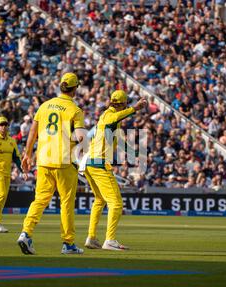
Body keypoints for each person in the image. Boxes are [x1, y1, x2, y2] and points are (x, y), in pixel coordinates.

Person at [17, 72, 86, 255]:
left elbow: (33, 131)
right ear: (75, 89)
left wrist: (27, 154)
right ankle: (68, 243)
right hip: (64, 162)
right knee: (66, 203)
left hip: (44, 160)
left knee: (39, 200)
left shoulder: (45, 106)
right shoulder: (75, 110)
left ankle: (26, 232)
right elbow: (80, 137)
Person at [81, 90, 147, 251]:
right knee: (116, 203)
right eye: (126, 103)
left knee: (100, 200)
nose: (128, 106)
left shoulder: (111, 120)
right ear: (121, 104)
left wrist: (134, 154)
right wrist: (134, 109)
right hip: (99, 164)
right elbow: (113, 119)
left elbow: (120, 140)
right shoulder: (108, 115)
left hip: (90, 163)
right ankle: (109, 240)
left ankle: (91, 237)